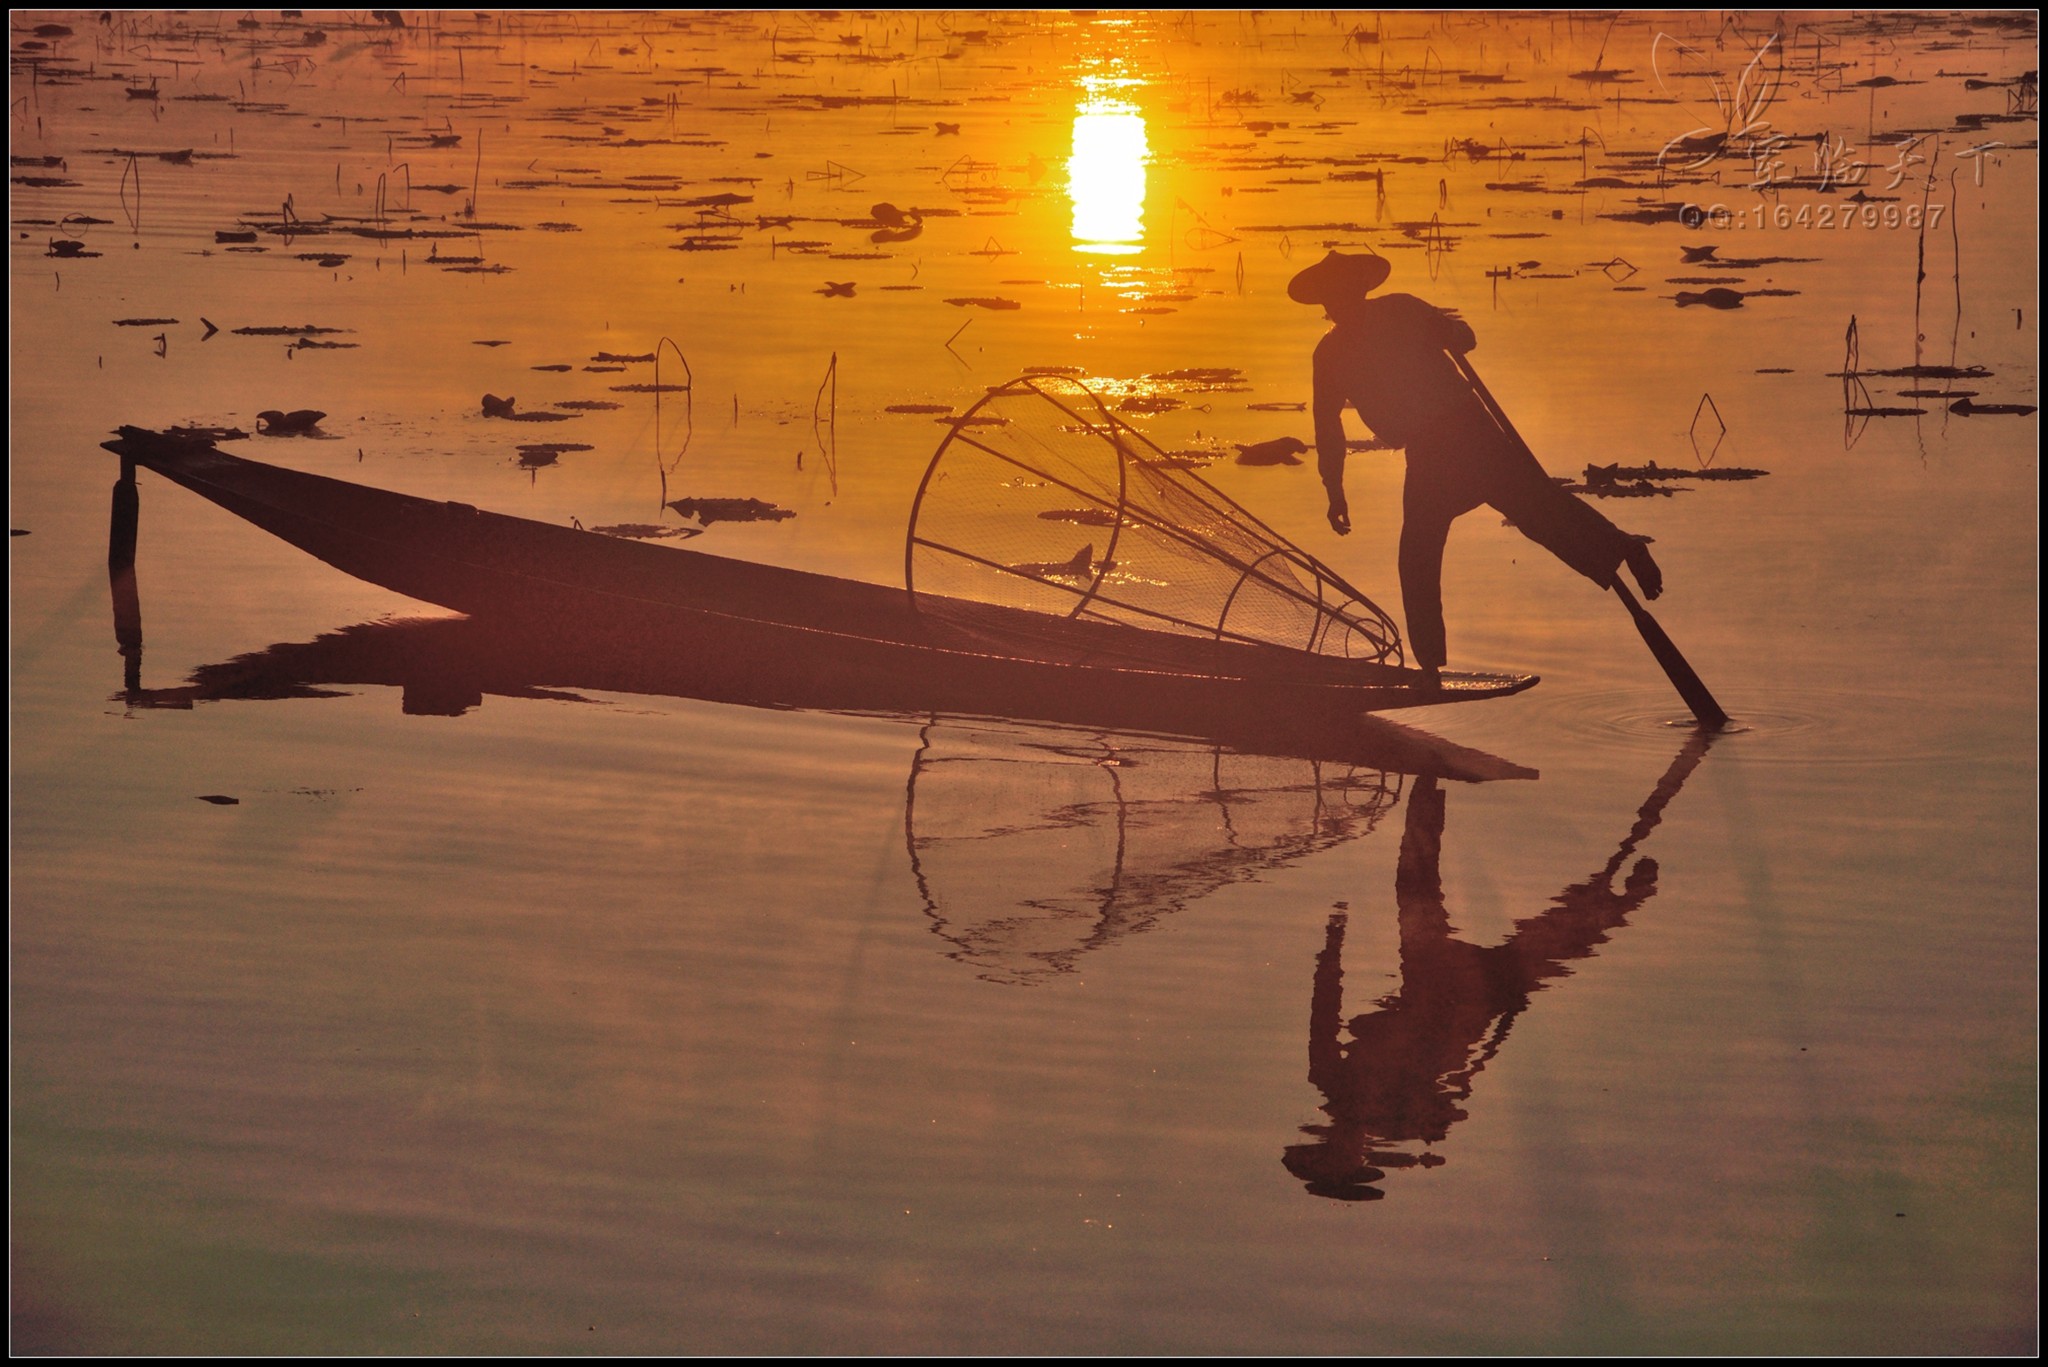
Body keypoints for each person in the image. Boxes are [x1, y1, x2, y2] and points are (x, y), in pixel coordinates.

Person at [1289, 250, 1663, 679]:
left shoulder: (1401, 310)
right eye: (1330, 298)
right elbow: (1327, 426)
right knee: (1437, 548)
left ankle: (1624, 548)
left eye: (1341, 294)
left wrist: (1445, 328)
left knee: (1536, 515)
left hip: (1467, 433)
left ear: (1359, 290)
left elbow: (1465, 339)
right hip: (1430, 451)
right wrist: (1333, 488)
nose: (1336, 304)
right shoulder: (1333, 352)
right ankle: (1430, 665)